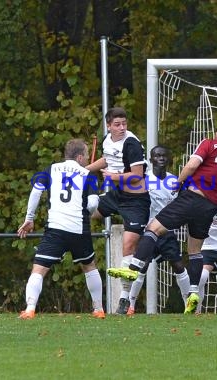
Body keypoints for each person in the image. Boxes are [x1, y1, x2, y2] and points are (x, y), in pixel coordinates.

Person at [107, 122, 217, 315]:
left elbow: (192, 164)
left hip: (192, 197)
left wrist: (180, 183)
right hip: (210, 206)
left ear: (216, 134)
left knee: (152, 229)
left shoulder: (209, 143)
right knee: (195, 250)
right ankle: (193, 293)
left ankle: (134, 266)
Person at [17, 139, 105, 319]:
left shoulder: (51, 169)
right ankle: (98, 309)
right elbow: (93, 203)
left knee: (39, 269)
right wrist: (87, 209)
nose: (88, 160)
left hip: (56, 228)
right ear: (80, 157)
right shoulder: (88, 175)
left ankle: (30, 309)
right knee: (89, 266)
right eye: (87, 156)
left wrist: (29, 219)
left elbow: (36, 191)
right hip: (79, 228)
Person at [85, 107, 150, 314]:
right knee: (84, 213)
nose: (122, 128)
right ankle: (76, 250)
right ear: (109, 125)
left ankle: (124, 299)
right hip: (115, 196)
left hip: (136, 200)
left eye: (124, 124)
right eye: (117, 124)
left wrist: (114, 177)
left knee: (128, 244)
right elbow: (107, 159)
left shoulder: (131, 143)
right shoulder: (107, 139)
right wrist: (84, 170)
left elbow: (138, 175)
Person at [125, 145, 190, 314]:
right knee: (142, 266)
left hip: (166, 231)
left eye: (164, 156)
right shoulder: (143, 180)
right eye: (157, 156)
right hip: (147, 232)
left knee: (178, 265)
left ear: (169, 159)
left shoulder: (175, 181)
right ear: (151, 159)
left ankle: (189, 304)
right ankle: (130, 305)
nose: (161, 159)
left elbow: (182, 205)